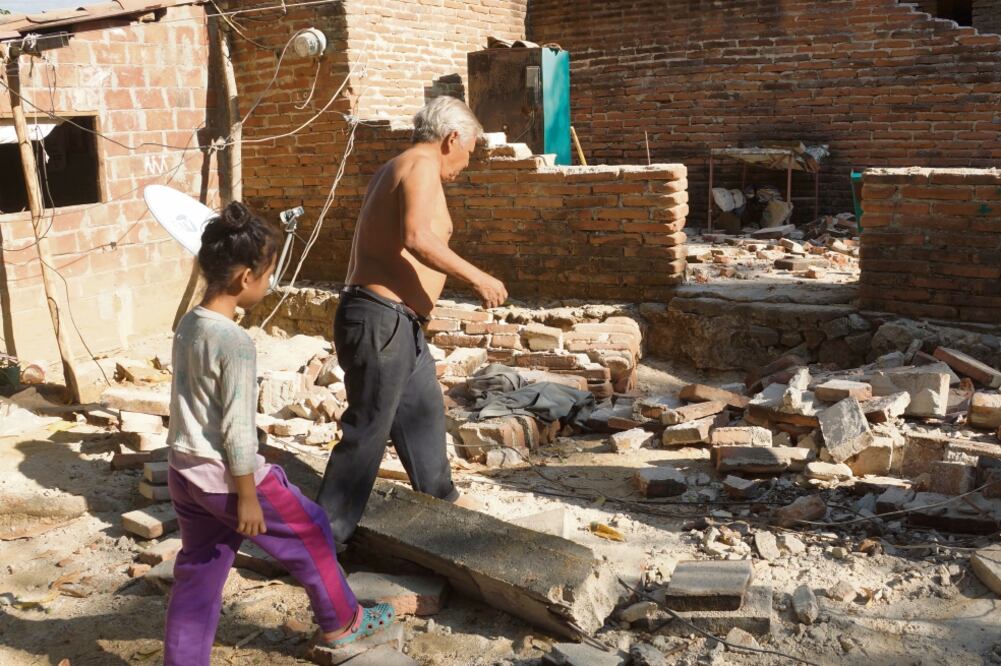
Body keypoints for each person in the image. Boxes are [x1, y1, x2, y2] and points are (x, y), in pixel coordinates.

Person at [162, 202, 394, 666]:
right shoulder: (235, 343)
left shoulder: (189, 324)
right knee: (311, 530)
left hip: (184, 471)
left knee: (200, 572)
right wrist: (247, 496)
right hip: (230, 478)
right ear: (245, 277)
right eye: (268, 275)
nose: (270, 285)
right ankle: (342, 623)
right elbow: (236, 430)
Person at [317, 96, 507, 550]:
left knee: (424, 419)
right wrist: (479, 277)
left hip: (399, 325)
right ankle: (320, 542)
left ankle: (441, 506)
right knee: (367, 432)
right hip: (381, 321)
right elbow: (417, 237)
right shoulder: (420, 165)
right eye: (470, 151)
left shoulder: (400, 166)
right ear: (452, 138)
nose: (467, 163)